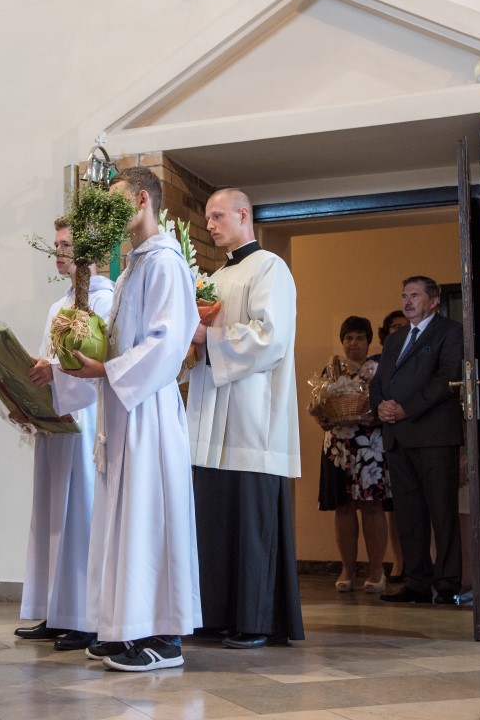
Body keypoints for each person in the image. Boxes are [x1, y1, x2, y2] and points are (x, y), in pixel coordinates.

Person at [62, 166, 201, 672]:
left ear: (142, 200)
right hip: (122, 411)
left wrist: (107, 369)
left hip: (150, 412)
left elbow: (168, 344)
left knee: (152, 517)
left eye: (116, 202)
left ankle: (165, 636)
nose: (110, 215)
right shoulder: (130, 269)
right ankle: (126, 626)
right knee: (125, 522)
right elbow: (119, 342)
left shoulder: (165, 263)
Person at [185, 188, 304, 649]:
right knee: (213, 520)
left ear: (242, 214)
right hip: (212, 416)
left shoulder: (270, 267)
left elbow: (271, 337)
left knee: (250, 524)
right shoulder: (216, 276)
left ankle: (256, 621)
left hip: (252, 417)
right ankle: (214, 614)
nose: (210, 225)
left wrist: (208, 337)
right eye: (208, 218)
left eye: (217, 216)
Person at [13, 217, 114, 651]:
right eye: (56, 245)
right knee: (54, 515)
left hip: (87, 421)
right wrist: (26, 394)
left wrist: (53, 373)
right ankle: (57, 612)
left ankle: (86, 617)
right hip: (56, 422)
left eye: (67, 245)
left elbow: (96, 366)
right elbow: (47, 364)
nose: (58, 252)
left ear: (90, 252)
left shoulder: (105, 300)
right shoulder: (59, 306)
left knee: (82, 514)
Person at [370, 276, 463, 605]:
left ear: (434, 301)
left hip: (434, 436)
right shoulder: (395, 340)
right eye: (404, 295)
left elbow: (447, 378)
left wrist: (406, 408)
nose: (407, 301)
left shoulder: (450, 332)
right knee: (409, 515)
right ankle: (418, 582)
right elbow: (379, 382)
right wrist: (380, 405)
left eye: (415, 295)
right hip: (398, 438)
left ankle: (448, 583)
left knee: (442, 511)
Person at [314, 316, 389, 595]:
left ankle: (377, 570)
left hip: (370, 445)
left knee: (371, 506)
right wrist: (320, 417)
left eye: (359, 338)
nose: (353, 343)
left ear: (369, 341)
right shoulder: (332, 370)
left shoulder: (379, 368)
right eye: (348, 338)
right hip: (337, 447)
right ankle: (347, 569)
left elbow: (386, 404)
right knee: (343, 507)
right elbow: (319, 405)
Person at [375, 309, 409, 583]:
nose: (398, 331)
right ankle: (398, 561)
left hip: (412, 432)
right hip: (383, 440)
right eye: (394, 327)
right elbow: (375, 392)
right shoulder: (376, 361)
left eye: (403, 326)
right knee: (393, 506)